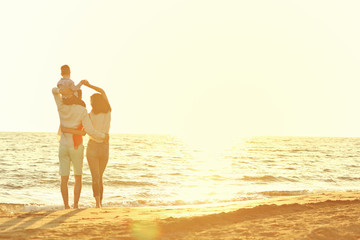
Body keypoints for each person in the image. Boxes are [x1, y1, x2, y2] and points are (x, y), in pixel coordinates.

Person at [52, 84, 108, 209]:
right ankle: (77, 205)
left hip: (65, 145)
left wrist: (64, 90)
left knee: (64, 179)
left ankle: (67, 206)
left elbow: (54, 91)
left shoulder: (62, 107)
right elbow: (87, 131)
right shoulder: (84, 111)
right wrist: (103, 136)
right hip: (79, 146)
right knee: (82, 177)